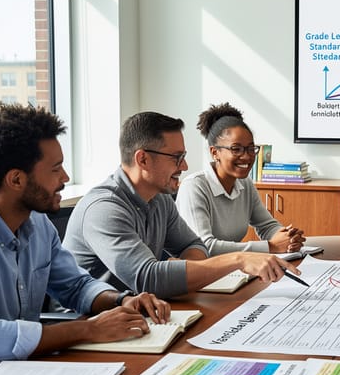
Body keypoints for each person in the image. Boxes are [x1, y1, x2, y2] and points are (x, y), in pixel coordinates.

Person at [0, 105, 170, 375]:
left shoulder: (37, 224)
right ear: (16, 179)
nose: (65, 177)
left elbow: (75, 285)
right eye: (56, 169)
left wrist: (121, 300)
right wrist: (88, 329)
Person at [64, 111, 300, 299]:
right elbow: (148, 278)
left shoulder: (160, 199)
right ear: (143, 159)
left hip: (137, 313)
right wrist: (238, 259)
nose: (185, 166)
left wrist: (194, 270)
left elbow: (193, 245)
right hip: (87, 324)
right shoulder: (104, 208)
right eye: (176, 157)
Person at [176, 103, 306, 255]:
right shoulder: (194, 187)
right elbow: (204, 247)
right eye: (236, 149)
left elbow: (267, 226)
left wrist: (286, 237)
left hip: (232, 268)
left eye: (251, 149)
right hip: (200, 273)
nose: (246, 156)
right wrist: (270, 246)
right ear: (215, 152)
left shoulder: (244, 183)